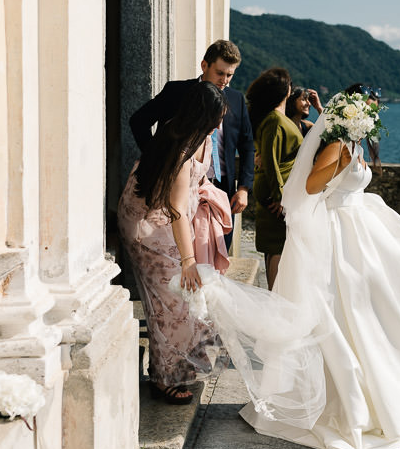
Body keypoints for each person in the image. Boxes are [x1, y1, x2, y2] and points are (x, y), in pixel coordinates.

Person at [239, 85, 400, 449]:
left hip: (359, 233)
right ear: (352, 115)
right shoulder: (339, 146)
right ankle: (344, 401)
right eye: (369, 113)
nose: (373, 120)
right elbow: (311, 185)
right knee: (342, 313)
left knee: (367, 313)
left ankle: (375, 388)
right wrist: (342, 163)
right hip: (338, 236)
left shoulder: (354, 143)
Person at [118, 81, 229, 404]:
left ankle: (178, 364)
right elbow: (176, 210)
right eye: (216, 118)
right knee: (170, 300)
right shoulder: (180, 150)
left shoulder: (191, 134)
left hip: (162, 217)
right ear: (202, 116)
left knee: (181, 297)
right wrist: (188, 260)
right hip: (149, 226)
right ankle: (163, 377)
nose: (220, 125)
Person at [129, 39, 254, 250]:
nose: (224, 80)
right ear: (204, 66)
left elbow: (247, 144)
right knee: (182, 254)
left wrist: (243, 188)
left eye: (230, 75)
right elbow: (138, 121)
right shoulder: (176, 91)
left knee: (217, 253)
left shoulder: (236, 99)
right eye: (220, 73)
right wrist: (158, 161)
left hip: (220, 191)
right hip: (179, 189)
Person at [245, 68, 303, 289]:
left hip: (278, 191)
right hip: (276, 195)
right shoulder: (275, 120)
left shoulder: (276, 118)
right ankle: (275, 298)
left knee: (276, 246)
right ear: (285, 90)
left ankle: (276, 297)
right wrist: (281, 196)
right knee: (277, 246)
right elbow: (270, 160)